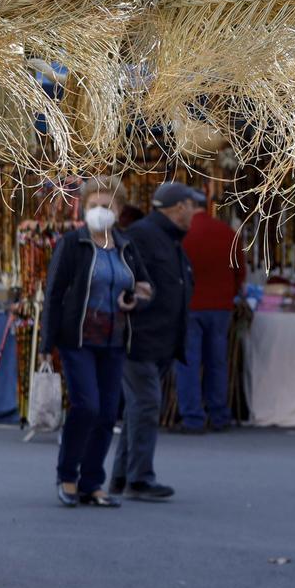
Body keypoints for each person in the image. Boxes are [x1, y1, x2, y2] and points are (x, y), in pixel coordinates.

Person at [39, 176, 149, 507]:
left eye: (106, 206)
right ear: (83, 209)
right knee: (86, 406)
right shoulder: (72, 244)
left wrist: (136, 299)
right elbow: (54, 294)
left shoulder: (127, 246)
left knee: (106, 414)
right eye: (94, 206)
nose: (100, 211)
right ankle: (67, 476)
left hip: (115, 339)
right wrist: (46, 344)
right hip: (78, 338)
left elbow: (144, 286)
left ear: (119, 210)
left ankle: (92, 482)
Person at [109, 182, 198, 501]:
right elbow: (129, 279)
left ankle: (123, 476)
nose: (194, 212)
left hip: (157, 339)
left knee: (139, 408)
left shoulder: (167, 239)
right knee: (145, 404)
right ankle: (139, 479)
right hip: (140, 338)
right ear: (177, 208)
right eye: (191, 205)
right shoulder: (145, 235)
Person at [176, 193, 247, 432]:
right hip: (220, 307)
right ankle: (219, 414)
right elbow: (240, 271)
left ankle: (193, 417)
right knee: (217, 362)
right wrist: (229, 294)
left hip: (189, 306)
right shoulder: (227, 233)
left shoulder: (181, 233)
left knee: (189, 363)